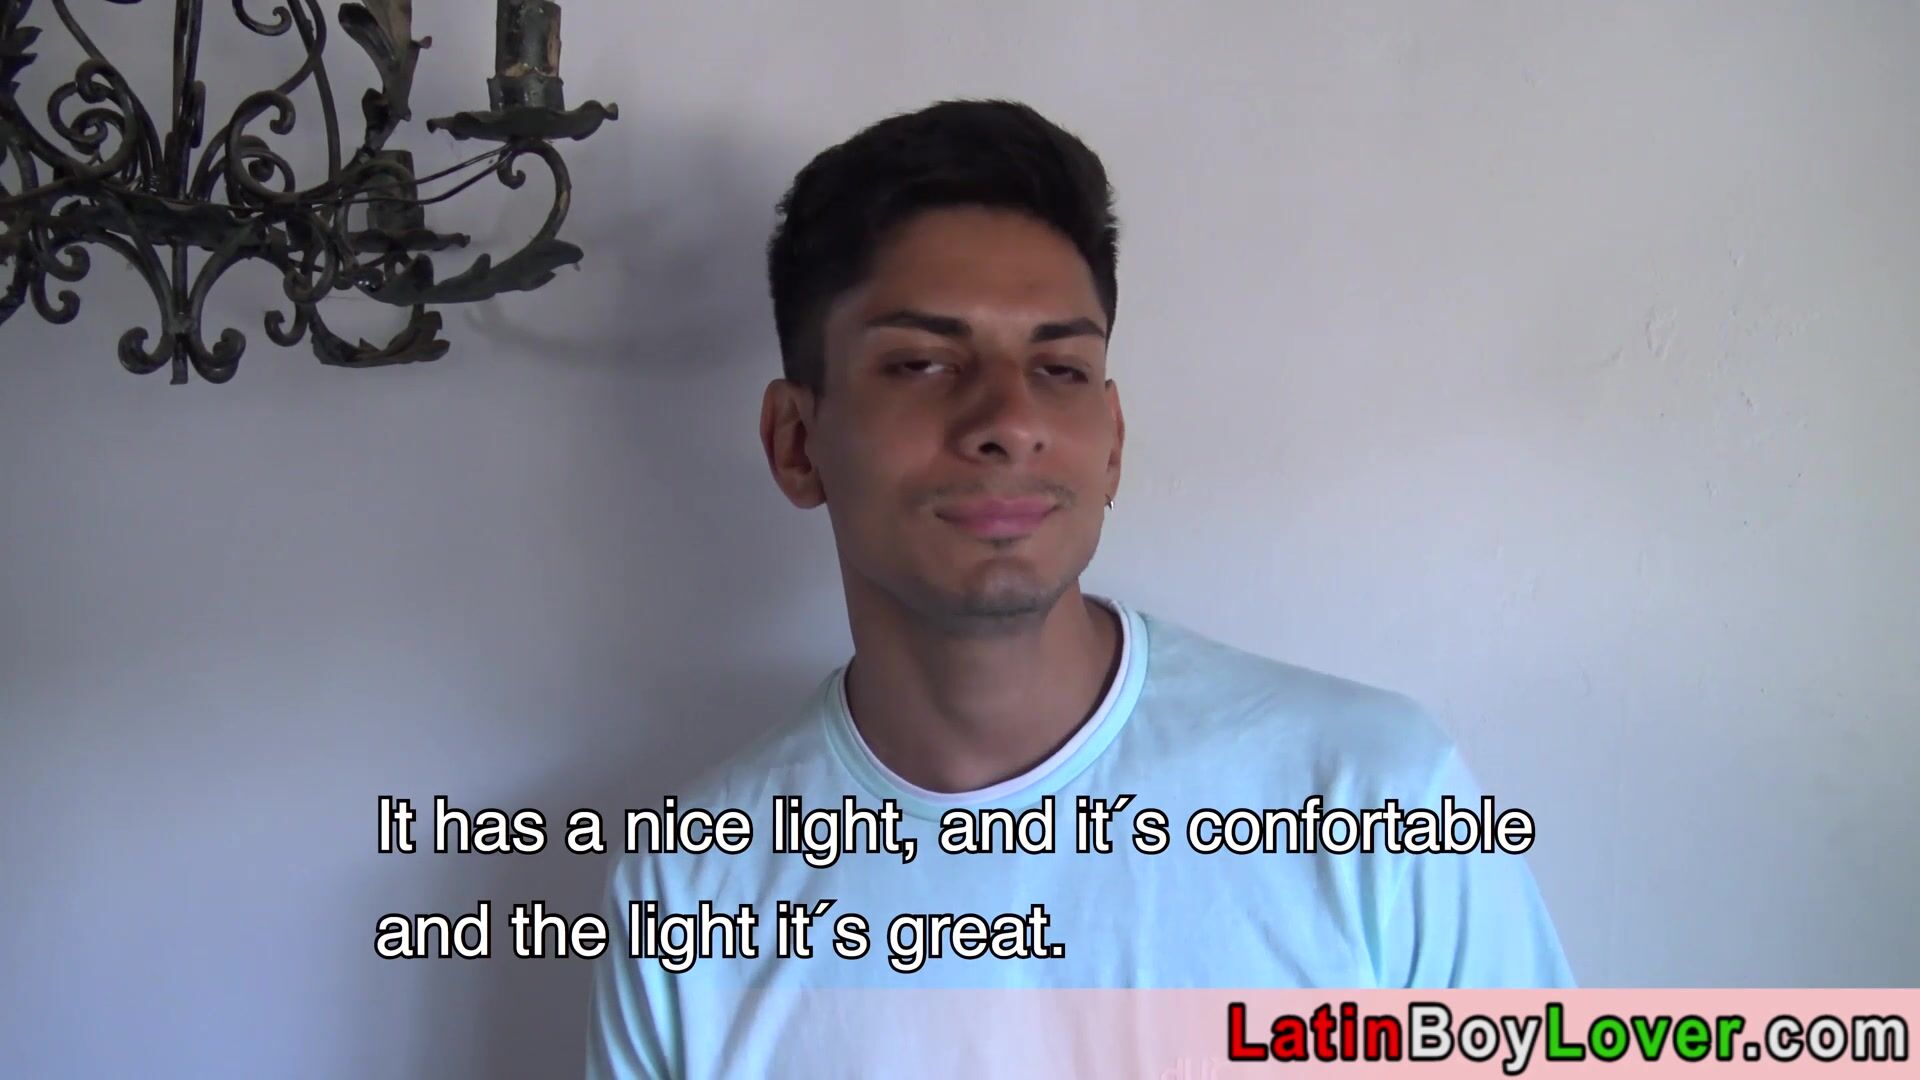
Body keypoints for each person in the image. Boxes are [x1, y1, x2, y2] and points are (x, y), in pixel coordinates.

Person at [585, 99, 1573, 1080]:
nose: (1009, 420)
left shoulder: (1375, 796)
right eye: (922, 363)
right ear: (798, 444)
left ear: (1112, 444)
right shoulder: (688, 892)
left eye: (1058, 368)